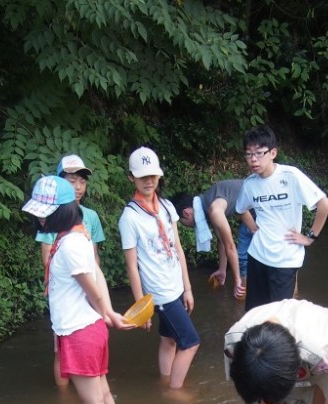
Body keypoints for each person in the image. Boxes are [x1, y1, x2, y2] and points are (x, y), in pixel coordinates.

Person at [22, 176, 132, 404]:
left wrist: (108, 312)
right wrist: (107, 313)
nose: (40, 219)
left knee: (91, 399)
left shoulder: (70, 245)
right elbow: (99, 276)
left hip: (79, 331)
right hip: (89, 328)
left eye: (45, 214)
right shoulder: (75, 236)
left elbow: (92, 287)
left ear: (63, 211)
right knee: (103, 393)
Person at [118, 147, 200, 389]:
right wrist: (141, 308)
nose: (149, 181)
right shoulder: (129, 218)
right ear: (131, 177)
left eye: (152, 175)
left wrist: (187, 288)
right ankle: (175, 392)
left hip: (175, 286)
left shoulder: (166, 206)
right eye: (142, 176)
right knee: (191, 342)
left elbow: (178, 249)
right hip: (160, 294)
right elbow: (132, 266)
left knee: (169, 340)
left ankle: (164, 383)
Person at [235, 125, 328, 309]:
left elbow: (324, 205)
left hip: (285, 258)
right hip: (257, 256)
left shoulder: (290, 176)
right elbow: (241, 209)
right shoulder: (250, 184)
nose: (253, 160)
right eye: (248, 154)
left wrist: (310, 237)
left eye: (259, 153)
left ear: (273, 153)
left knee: (279, 314)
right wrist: (254, 229)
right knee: (255, 313)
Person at [36, 155, 106, 388]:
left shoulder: (91, 217)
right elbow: (48, 258)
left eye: (82, 182)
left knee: (89, 341)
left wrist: (97, 296)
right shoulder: (51, 217)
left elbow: (94, 258)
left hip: (88, 289)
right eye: (71, 181)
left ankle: (87, 392)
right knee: (62, 349)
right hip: (67, 291)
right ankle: (65, 400)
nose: (77, 187)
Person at [171, 183, 255, 299]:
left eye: (181, 221)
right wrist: (222, 269)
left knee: (243, 258)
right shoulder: (207, 204)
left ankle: (245, 294)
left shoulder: (214, 210)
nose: (184, 225)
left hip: (258, 205)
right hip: (249, 207)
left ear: (186, 213)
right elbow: (222, 241)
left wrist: (236, 280)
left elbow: (230, 246)